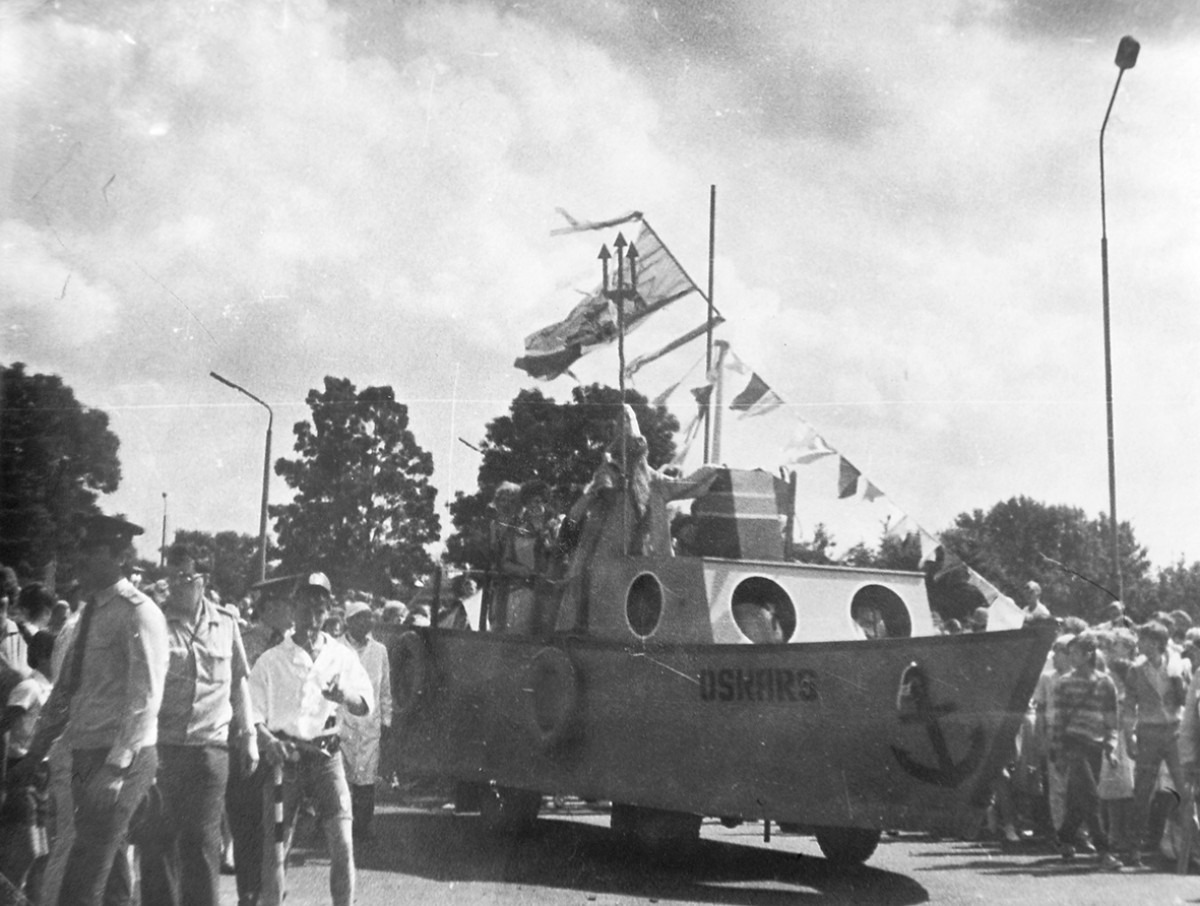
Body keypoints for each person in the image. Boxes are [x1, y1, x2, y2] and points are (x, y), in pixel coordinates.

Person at [15, 513, 169, 905]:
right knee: (108, 874)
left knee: (82, 882)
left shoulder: (139, 612)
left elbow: (144, 700)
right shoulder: (89, 614)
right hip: (85, 756)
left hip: (122, 760)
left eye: (93, 550)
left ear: (120, 557)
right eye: (81, 549)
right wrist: (34, 752)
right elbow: (65, 691)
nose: (81, 558)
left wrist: (115, 768)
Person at [139, 543, 259, 906]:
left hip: (209, 751)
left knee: (203, 845)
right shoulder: (155, 622)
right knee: (157, 843)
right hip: (163, 749)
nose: (176, 584)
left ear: (203, 580)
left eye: (185, 577)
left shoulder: (226, 623)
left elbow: (239, 682)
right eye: (171, 577)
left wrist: (249, 735)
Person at [249, 572, 373, 906]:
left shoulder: (340, 656)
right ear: (293, 608)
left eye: (319, 609)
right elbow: (251, 714)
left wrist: (344, 695)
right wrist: (267, 740)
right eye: (305, 608)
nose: (312, 617)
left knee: (343, 844)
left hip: (326, 758)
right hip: (285, 760)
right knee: (277, 849)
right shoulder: (272, 659)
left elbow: (365, 703)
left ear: (329, 611)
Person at [226, 574, 298, 906]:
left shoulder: (297, 645)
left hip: (286, 744)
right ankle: (250, 892)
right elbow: (236, 692)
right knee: (247, 822)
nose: (293, 611)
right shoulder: (247, 641)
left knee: (283, 825)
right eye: (287, 604)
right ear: (269, 608)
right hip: (250, 744)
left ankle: (274, 889)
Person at [1050, 632, 1122, 870]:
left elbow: (1111, 720)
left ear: (1088, 654)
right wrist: (1058, 752)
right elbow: (1058, 720)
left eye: (1075, 653)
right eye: (1069, 653)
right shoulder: (1063, 682)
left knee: (1077, 799)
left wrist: (1111, 747)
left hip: (1095, 746)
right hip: (1073, 743)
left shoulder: (1106, 683)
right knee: (1091, 797)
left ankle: (1065, 838)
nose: (1071, 657)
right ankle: (1104, 851)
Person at [1122, 620, 1189, 867]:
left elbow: (1187, 700)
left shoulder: (1177, 665)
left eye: (1144, 639)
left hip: (1174, 732)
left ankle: (1189, 848)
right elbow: (1129, 705)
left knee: (1185, 790)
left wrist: (1179, 679)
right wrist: (1129, 734)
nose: (1139, 643)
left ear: (1157, 643)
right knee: (1142, 792)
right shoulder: (1135, 670)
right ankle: (1133, 850)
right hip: (1148, 732)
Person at [0, 630, 55, 902]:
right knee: (26, 848)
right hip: (21, 771)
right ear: (44, 657)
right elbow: (4, 726)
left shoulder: (51, 690)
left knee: (42, 853)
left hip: (43, 773)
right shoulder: (29, 688)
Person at [339, 600, 393, 842]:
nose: (366, 622)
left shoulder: (379, 651)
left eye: (369, 617)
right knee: (339, 777)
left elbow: (385, 688)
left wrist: (387, 719)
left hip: (370, 724)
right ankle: (335, 825)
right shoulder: (335, 648)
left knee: (366, 778)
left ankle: (362, 828)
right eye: (360, 617)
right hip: (342, 722)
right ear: (349, 621)